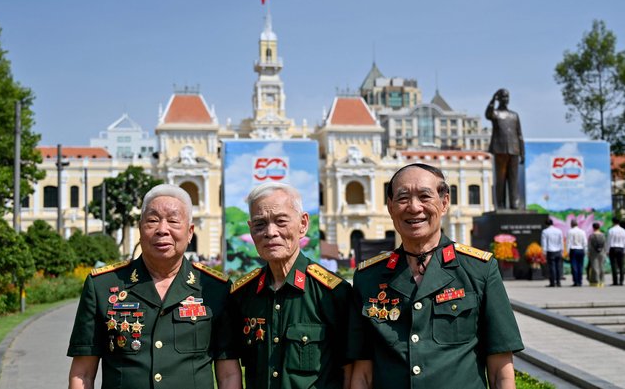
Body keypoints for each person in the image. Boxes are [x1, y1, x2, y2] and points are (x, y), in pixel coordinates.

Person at [351, 163, 523, 389]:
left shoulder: (479, 270)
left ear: (444, 203)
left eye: (424, 196)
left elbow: (501, 370)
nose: (414, 207)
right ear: (390, 207)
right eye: (403, 198)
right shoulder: (369, 278)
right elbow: (363, 374)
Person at [67, 184, 241, 389]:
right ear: (140, 229)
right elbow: (83, 374)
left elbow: (229, 374)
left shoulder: (215, 289)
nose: (162, 230)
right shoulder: (103, 286)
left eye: (174, 221)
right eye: (152, 221)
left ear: (190, 232)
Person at [228, 182, 360, 389]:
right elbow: (230, 366)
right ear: (251, 230)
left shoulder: (333, 293)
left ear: (303, 224)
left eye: (281, 221)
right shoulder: (243, 294)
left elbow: (353, 372)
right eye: (259, 224)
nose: (270, 232)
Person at [485, 88, 524, 210]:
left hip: (514, 150)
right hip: (500, 150)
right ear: (499, 99)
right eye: (503, 97)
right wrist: (492, 99)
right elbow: (488, 114)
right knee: (501, 179)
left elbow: (519, 134)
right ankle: (500, 204)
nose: (505, 99)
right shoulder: (495, 113)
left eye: (507, 97)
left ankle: (514, 203)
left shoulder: (514, 115)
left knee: (513, 178)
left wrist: (522, 152)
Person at [541, 218, 565, 287]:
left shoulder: (545, 231)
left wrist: (544, 252)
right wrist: (562, 250)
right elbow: (561, 241)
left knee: (552, 267)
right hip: (558, 250)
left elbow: (544, 243)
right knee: (558, 267)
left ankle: (552, 282)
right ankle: (558, 282)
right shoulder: (559, 231)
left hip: (550, 251)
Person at [567, 219, 587, 286]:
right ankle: (580, 281)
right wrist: (585, 251)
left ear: (571, 224)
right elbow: (585, 242)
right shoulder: (582, 231)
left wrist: (567, 251)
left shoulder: (570, 231)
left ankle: (576, 281)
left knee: (574, 266)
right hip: (581, 249)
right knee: (580, 266)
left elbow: (568, 242)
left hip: (573, 250)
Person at [606, 217, 625, 286]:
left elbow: (608, 241)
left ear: (613, 222)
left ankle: (615, 281)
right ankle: (621, 281)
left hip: (613, 248)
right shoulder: (623, 230)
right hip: (621, 248)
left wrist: (607, 250)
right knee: (621, 265)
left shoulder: (611, 230)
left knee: (614, 265)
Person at [588, 222, 607, 287]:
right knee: (601, 266)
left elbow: (589, 246)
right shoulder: (603, 235)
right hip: (602, 252)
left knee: (595, 266)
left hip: (594, 253)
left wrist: (588, 253)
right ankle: (602, 281)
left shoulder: (591, 236)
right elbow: (605, 245)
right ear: (599, 227)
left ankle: (596, 281)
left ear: (593, 228)